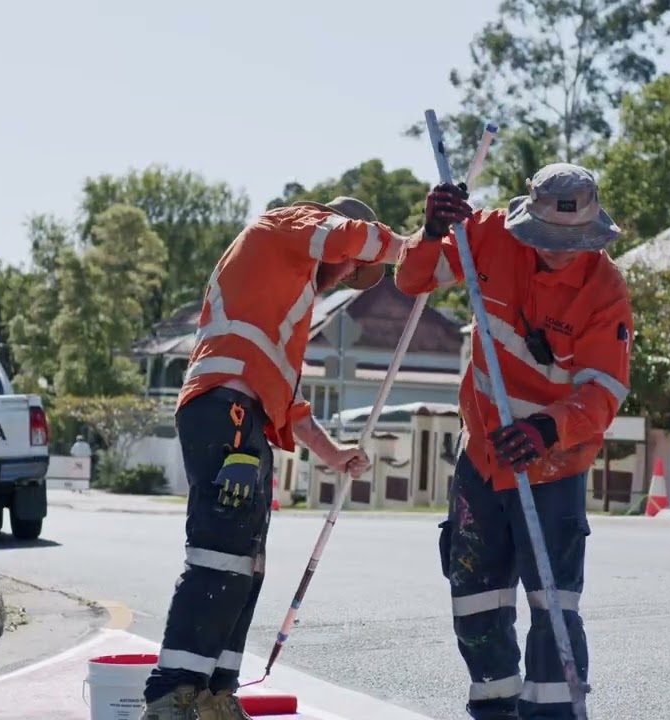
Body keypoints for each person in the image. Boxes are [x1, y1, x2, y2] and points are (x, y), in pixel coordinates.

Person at [141, 194, 459, 720]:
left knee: (245, 564)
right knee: (220, 555)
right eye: (354, 267)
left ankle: (214, 694)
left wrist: (333, 454)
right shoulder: (287, 227)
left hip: (243, 414)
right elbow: (345, 236)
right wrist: (413, 244)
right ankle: (171, 693)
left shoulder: (280, 298)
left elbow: (285, 400)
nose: (347, 275)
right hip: (226, 410)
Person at [394, 164, 633, 720]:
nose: (560, 252)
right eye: (550, 240)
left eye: (573, 242)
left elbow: (603, 391)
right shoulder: (490, 235)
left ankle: (552, 713)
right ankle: (494, 706)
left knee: (554, 605)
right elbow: (413, 281)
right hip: (481, 452)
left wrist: (547, 429)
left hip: (554, 464)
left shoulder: (604, 289)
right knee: (474, 592)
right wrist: (431, 232)